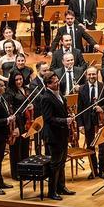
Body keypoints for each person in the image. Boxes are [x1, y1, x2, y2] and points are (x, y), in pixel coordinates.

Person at [39, 70, 73, 200]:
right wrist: (65, 120)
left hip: (62, 134)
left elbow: (61, 112)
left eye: (57, 81)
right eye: (54, 82)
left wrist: (68, 116)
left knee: (62, 162)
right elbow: (48, 119)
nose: (58, 83)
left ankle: (61, 187)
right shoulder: (46, 98)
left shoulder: (59, 95)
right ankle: (52, 191)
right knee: (55, 164)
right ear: (48, 85)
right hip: (53, 136)